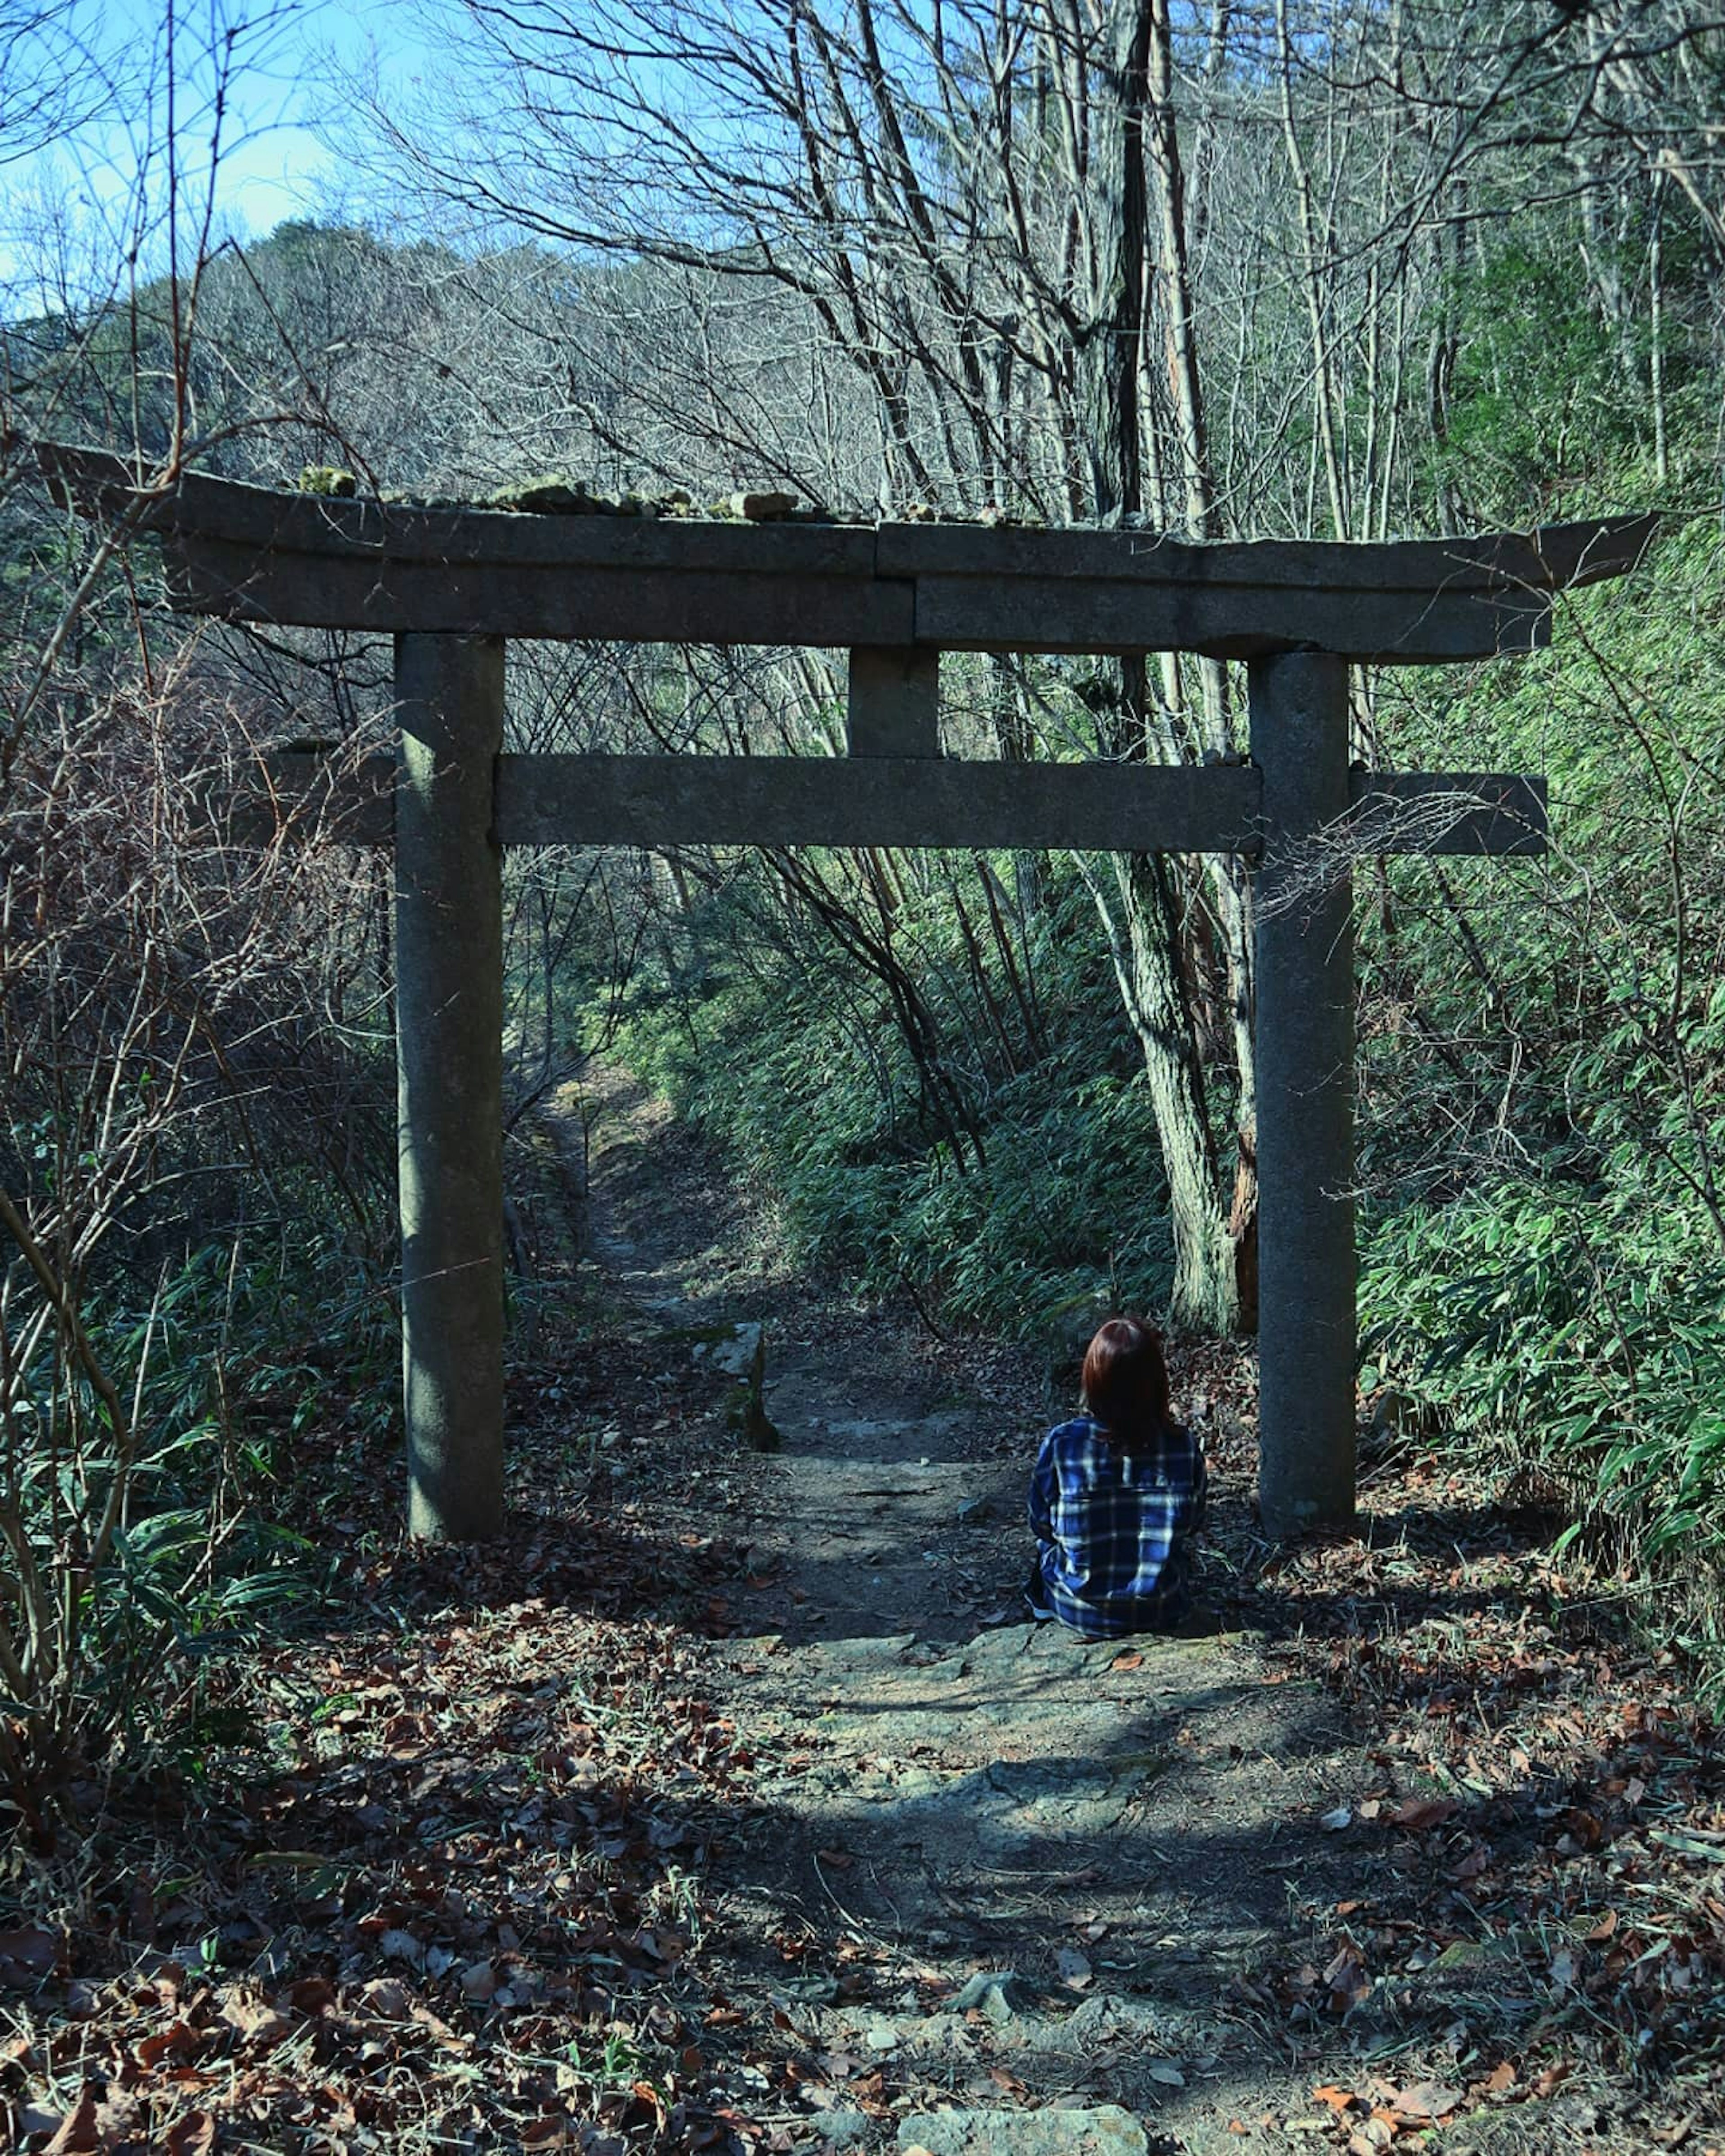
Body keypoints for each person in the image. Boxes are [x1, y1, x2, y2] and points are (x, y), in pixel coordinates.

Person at [1025, 1316, 1206, 1638]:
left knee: (1045, 1547)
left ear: (1094, 1379)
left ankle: (1043, 1602)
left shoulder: (1064, 1443)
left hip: (1081, 1611)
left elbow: (1041, 1523)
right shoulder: (1182, 1445)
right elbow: (1192, 1523)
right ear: (1156, 1381)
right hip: (1162, 1609)